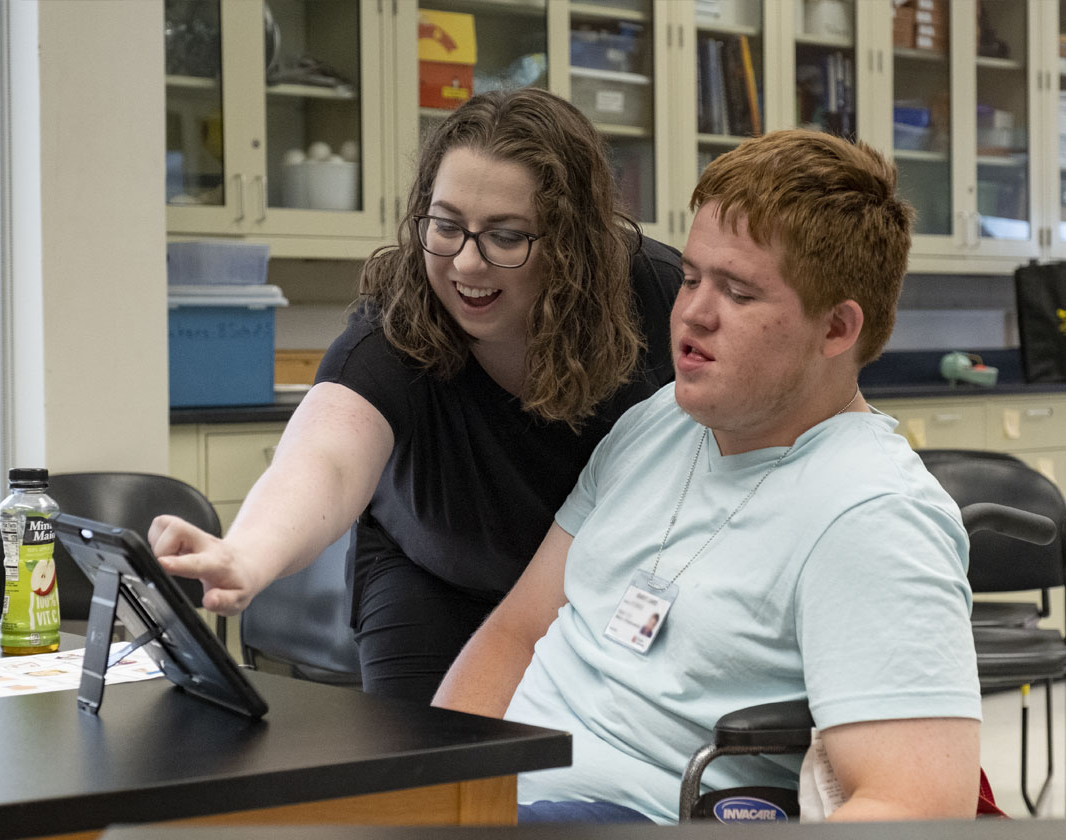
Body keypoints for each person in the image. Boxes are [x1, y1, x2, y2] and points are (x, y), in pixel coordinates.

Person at [433, 129, 982, 824]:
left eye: (739, 292)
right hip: (499, 793)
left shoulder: (873, 516)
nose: (692, 311)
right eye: (691, 277)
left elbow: (919, 807)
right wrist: (430, 793)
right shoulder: (660, 422)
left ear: (838, 329)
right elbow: (516, 631)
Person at [149, 88, 682, 702]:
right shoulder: (399, 323)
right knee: (420, 772)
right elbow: (325, 457)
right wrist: (246, 554)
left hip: (603, 580)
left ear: (570, 243)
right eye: (447, 226)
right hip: (434, 578)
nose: (466, 264)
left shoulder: (653, 295)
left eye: (505, 237)